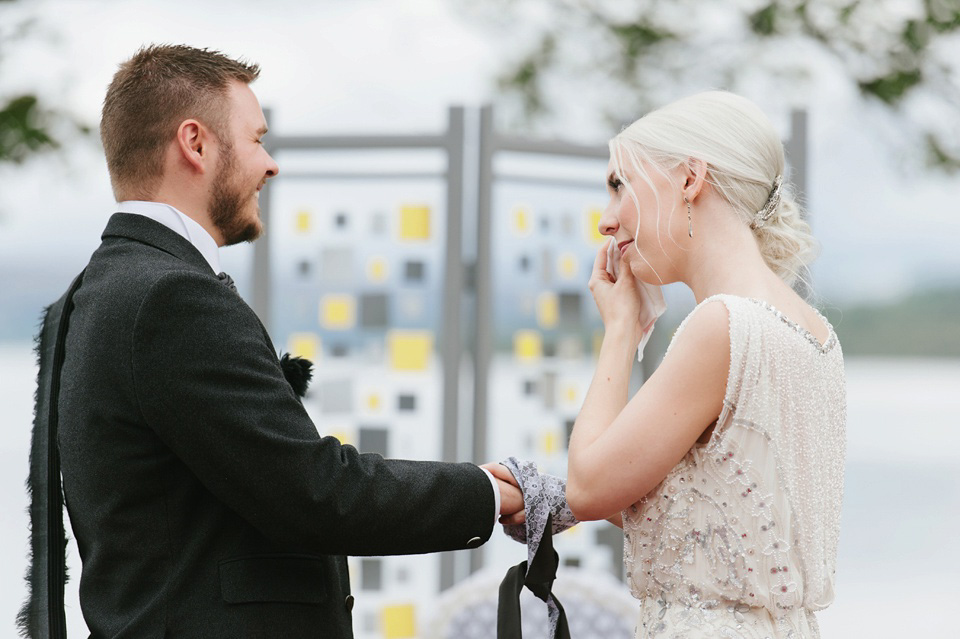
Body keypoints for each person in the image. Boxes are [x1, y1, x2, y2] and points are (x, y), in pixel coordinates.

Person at [32, 44, 522, 638]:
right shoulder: (170, 299)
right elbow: (316, 492)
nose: (271, 164)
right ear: (196, 143)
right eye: (257, 138)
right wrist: (488, 492)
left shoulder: (94, 291)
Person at [494, 91, 845, 637]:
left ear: (689, 178)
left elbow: (592, 486)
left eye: (619, 185)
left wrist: (620, 331)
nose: (606, 223)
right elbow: (718, 516)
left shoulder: (722, 323)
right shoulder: (815, 331)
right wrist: (549, 497)